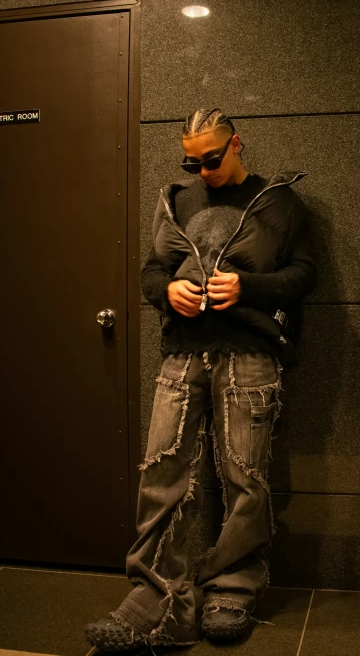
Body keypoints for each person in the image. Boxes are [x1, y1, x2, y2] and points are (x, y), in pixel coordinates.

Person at [86, 109, 317, 650]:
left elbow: (306, 275)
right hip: (183, 351)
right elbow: (150, 269)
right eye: (190, 161)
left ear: (237, 144)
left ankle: (234, 586)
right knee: (162, 470)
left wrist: (249, 288)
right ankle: (153, 596)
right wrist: (165, 291)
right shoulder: (178, 199)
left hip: (251, 351)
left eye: (211, 159)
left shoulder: (279, 201)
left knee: (245, 475)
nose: (201, 171)